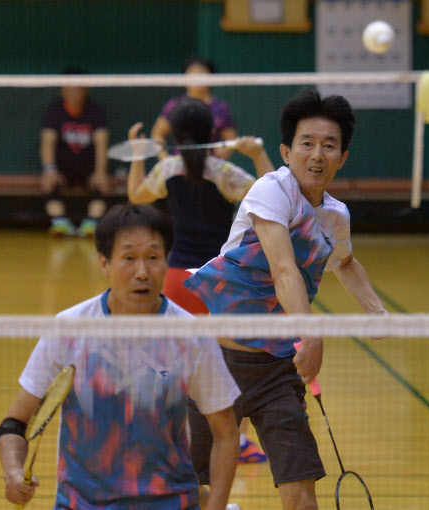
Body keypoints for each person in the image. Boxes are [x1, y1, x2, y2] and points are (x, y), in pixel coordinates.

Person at [183, 89, 388, 510]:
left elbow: (346, 263)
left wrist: (377, 310)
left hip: (277, 372)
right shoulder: (271, 190)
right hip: (216, 360)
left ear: (342, 157)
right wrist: (310, 335)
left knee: (300, 497)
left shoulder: (335, 216)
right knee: (192, 490)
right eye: (307, 143)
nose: (317, 155)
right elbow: (283, 268)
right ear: (286, 151)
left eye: (329, 146)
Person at [0, 203, 241, 510]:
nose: (142, 272)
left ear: (167, 262)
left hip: (169, 503)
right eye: (128, 258)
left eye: (153, 258)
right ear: (104, 263)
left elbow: (226, 433)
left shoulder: (191, 336)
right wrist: (13, 470)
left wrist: (216, 505)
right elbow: (13, 424)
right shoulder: (70, 329)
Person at [128, 97, 274, 464]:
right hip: (217, 280)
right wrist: (257, 154)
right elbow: (272, 197)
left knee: (172, 363)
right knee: (227, 363)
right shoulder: (222, 172)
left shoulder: (168, 169)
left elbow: (135, 195)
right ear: (212, 132)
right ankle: (235, 441)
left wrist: (136, 154)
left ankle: (166, 434)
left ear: (174, 134)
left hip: (176, 280)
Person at [40, 67, 110, 237]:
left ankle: (91, 225)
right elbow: (47, 142)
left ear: (86, 90)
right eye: (68, 88)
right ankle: (60, 223)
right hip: (63, 167)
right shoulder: (54, 111)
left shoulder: (96, 111)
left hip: (88, 167)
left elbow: (102, 143)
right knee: (49, 184)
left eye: (77, 88)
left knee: (101, 185)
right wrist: (49, 169)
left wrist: (100, 172)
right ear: (62, 90)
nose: (73, 93)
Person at [151, 56, 237, 161]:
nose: (196, 77)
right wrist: (165, 160)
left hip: (210, 166)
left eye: (201, 73)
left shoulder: (220, 108)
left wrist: (217, 159)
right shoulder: (174, 105)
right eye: (192, 73)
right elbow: (158, 134)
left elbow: (230, 139)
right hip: (179, 166)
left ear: (211, 77)